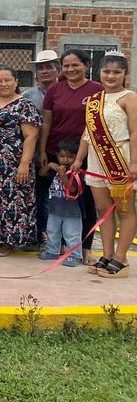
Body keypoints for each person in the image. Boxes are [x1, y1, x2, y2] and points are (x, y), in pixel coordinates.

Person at [73, 52, 137, 278]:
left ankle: (121, 259)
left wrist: (134, 162)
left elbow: (134, 132)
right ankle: (107, 255)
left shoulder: (130, 97)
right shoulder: (94, 100)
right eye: (107, 71)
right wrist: (78, 159)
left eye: (117, 72)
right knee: (102, 209)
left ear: (125, 74)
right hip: (95, 159)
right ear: (99, 72)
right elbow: (87, 132)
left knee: (124, 210)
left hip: (120, 158)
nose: (111, 76)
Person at [37, 48, 102, 265]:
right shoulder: (55, 90)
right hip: (58, 152)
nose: (71, 69)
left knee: (85, 202)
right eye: (66, 66)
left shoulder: (97, 90)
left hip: (87, 154)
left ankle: (85, 248)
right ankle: (58, 245)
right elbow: (47, 123)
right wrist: (43, 151)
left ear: (86, 66)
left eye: (76, 65)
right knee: (57, 200)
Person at [0, 66, 40, 256]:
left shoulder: (24, 105)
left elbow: (31, 136)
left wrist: (24, 164)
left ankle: (6, 241)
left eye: (7, 80)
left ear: (16, 82)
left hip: (13, 162)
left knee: (10, 202)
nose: (3, 84)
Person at [24, 49, 61, 245]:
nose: (45, 71)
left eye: (49, 67)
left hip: (62, 152)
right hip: (37, 153)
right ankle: (38, 233)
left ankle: (60, 237)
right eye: (41, 68)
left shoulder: (65, 92)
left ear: (58, 70)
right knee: (37, 196)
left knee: (59, 196)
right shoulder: (28, 96)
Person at [38, 138, 83, 266]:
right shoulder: (55, 169)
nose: (65, 160)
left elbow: (72, 189)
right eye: (62, 156)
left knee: (71, 234)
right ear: (57, 155)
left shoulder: (76, 172)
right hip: (54, 209)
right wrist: (48, 166)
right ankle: (52, 251)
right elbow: (41, 174)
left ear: (76, 157)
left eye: (70, 157)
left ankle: (75, 256)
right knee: (52, 231)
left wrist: (63, 176)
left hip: (72, 212)